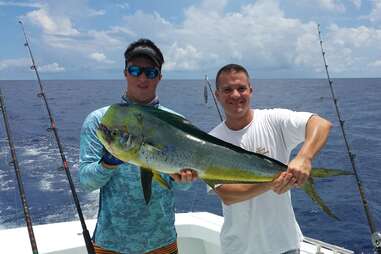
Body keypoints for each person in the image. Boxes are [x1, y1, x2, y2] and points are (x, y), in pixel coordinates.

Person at [79, 38, 197, 254]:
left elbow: (180, 185)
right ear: (125, 72)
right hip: (112, 244)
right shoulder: (100, 121)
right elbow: (86, 181)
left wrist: (185, 180)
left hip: (162, 242)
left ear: (159, 77)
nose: (142, 78)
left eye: (150, 72)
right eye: (135, 70)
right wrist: (107, 163)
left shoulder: (176, 122)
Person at [209, 64, 332, 254]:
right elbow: (227, 194)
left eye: (241, 88)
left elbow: (321, 124)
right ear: (217, 95)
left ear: (251, 90)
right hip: (239, 249)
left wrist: (304, 158)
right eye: (227, 90)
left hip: (284, 244)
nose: (235, 95)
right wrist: (273, 181)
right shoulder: (210, 142)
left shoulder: (274, 120)